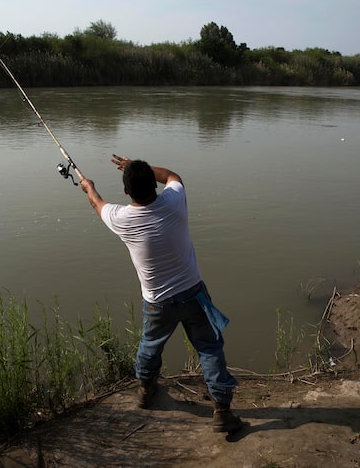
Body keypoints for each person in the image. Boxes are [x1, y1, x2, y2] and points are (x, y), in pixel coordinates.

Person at [79, 154, 243, 433]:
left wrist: (88, 186)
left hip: (157, 303)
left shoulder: (121, 219)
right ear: (154, 187)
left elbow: (96, 202)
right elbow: (173, 176)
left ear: (126, 191)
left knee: (150, 345)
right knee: (209, 348)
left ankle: (145, 390)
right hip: (194, 294)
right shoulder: (174, 201)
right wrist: (140, 167)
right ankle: (222, 411)